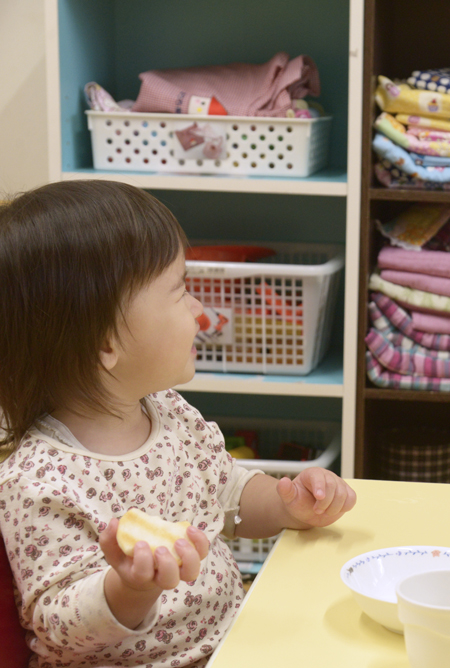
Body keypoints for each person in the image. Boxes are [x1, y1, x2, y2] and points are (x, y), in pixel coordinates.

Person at [0, 180, 357, 667]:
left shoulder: (166, 410)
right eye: (180, 291)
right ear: (106, 344)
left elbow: (226, 494)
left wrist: (287, 503)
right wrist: (130, 588)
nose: (199, 311)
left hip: (231, 645)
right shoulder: (37, 480)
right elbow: (56, 625)